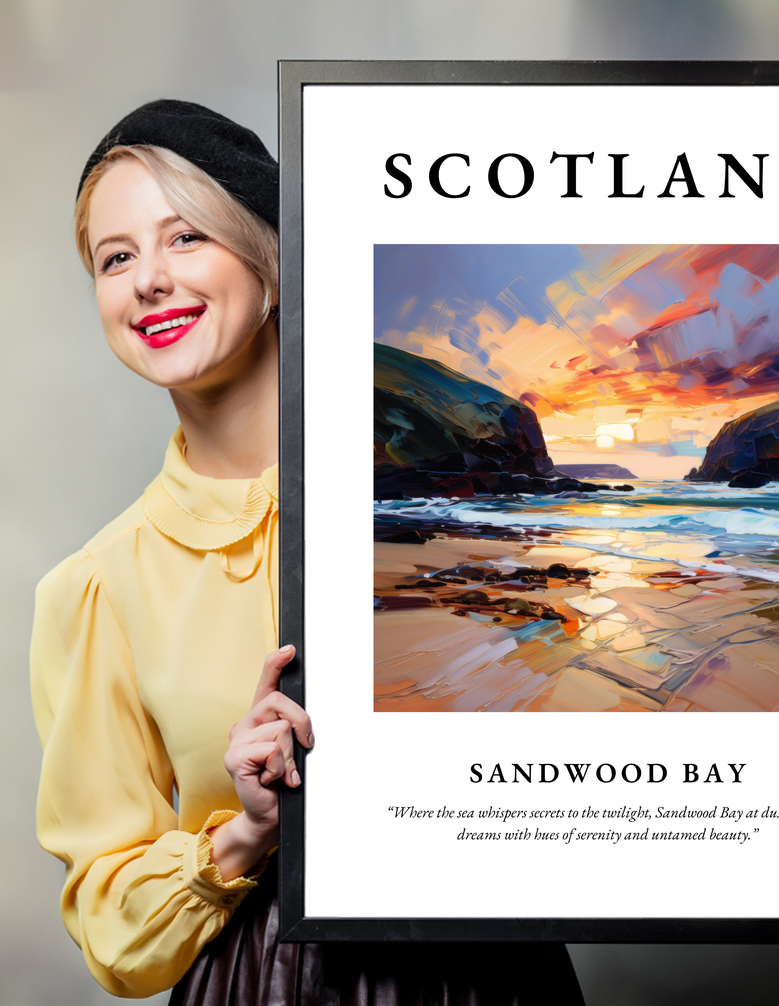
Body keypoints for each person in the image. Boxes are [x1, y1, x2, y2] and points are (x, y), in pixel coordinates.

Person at [30, 100, 586, 1004]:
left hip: (493, 972)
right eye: (116, 257)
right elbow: (110, 923)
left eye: (185, 238)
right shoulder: (97, 587)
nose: (148, 281)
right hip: (264, 981)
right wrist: (245, 832)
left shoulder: (430, 516)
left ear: (272, 263)